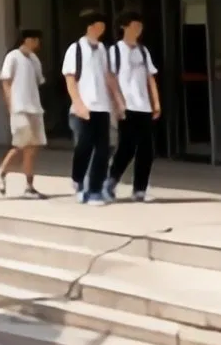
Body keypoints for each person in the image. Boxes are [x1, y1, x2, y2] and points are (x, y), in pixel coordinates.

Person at [64, 10, 120, 205]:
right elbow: (70, 79)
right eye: (100, 25)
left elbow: (109, 77)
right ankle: (78, 180)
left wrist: (118, 102)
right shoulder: (75, 49)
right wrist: (79, 105)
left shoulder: (103, 49)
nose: (103, 29)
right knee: (84, 148)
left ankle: (94, 190)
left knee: (103, 150)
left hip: (102, 107)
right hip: (83, 108)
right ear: (91, 26)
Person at [105, 11, 159, 202]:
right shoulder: (115, 51)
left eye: (140, 27)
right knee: (126, 148)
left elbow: (150, 77)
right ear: (124, 27)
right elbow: (110, 78)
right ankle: (110, 181)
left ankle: (140, 190)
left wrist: (156, 101)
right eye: (135, 26)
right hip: (126, 106)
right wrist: (118, 103)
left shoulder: (143, 51)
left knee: (147, 149)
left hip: (143, 106)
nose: (138, 30)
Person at [0, 28, 47, 198]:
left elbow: (38, 81)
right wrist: (11, 105)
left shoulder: (34, 59)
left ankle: (29, 186)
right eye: (35, 40)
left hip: (35, 108)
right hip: (20, 108)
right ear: (26, 40)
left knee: (32, 148)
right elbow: (6, 82)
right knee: (20, 145)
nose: (38, 44)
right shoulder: (13, 56)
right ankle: (1, 173)